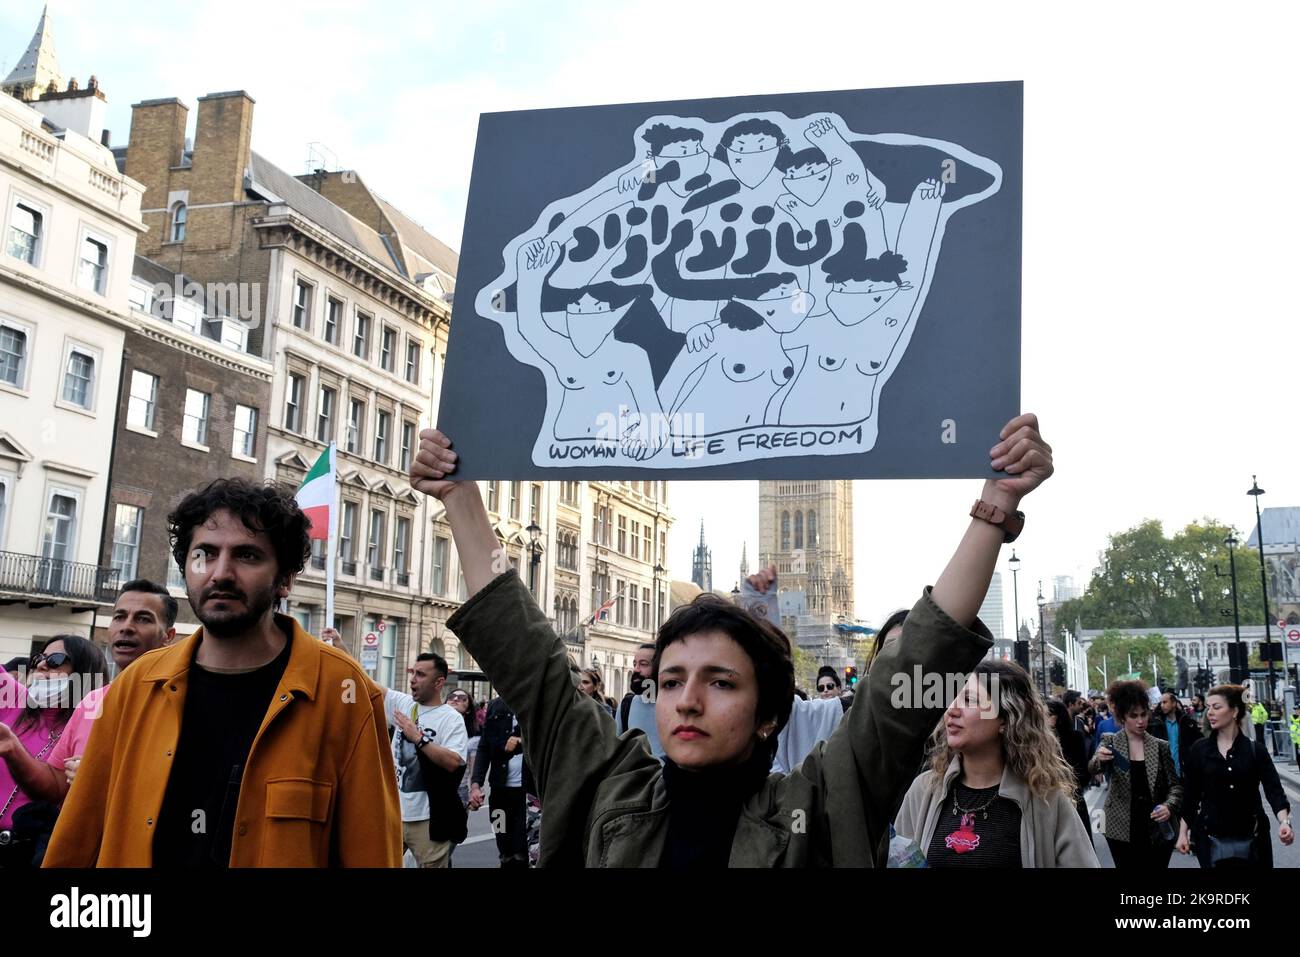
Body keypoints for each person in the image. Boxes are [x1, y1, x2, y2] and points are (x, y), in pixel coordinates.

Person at [411, 411, 1054, 866]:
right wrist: (460, 499)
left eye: (720, 682)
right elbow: (527, 657)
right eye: (670, 681)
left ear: (771, 715)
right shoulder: (612, 786)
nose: (687, 700)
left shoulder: (818, 806)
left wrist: (996, 504)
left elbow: (914, 669)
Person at [44, 478, 402, 867]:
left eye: (247, 555)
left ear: (285, 579)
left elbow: (371, 852)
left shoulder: (343, 691)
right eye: (206, 554)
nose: (221, 573)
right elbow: (79, 834)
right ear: (185, 568)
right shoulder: (136, 685)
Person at [0, 581, 177, 815]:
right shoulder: (92, 702)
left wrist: (105, 778)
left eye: (143, 619)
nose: (127, 627)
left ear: (168, 636)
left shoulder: (182, 701)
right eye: (119, 617)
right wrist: (12, 748)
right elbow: (55, 786)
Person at [893, 664, 1097, 867]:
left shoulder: (1045, 800)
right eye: (951, 698)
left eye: (969, 700)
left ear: (1006, 718)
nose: (952, 710)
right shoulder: (924, 791)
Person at [0, 636, 108, 867]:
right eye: (38, 658)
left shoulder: (93, 725)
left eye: (56, 659)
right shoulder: (13, 702)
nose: (41, 665)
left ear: (84, 672)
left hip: (33, 853)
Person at [1176, 684, 1293, 868]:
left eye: (1217, 707)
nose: (1210, 712)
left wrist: (1284, 822)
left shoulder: (1256, 750)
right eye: (1208, 707)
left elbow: (1274, 791)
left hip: (1253, 838)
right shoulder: (1200, 750)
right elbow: (1191, 795)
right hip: (1211, 838)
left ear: (1234, 711)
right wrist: (1183, 832)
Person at [384, 653, 468, 868]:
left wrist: (418, 738)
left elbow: (454, 761)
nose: (412, 679)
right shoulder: (404, 705)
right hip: (394, 814)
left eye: (420, 674)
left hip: (428, 819)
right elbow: (366, 684)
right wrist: (339, 646)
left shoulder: (451, 718)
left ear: (439, 682)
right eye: (413, 672)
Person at [1088, 680, 1182, 868]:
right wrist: (1099, 758)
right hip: (1119, 825)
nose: (1140, 721)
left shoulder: (1160, 746)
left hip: (1156, 824)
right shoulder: (1110, 741)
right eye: (1133, 716)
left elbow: (1176, 786)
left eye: (1143, 714)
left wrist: (1168, 806)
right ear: (1122, 717)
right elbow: (1093, 768)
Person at [470, 696, 532, 868]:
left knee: (522, 850)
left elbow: (546, 740)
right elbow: (484, 747)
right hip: (499, 791)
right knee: (503, 844)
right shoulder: (496, 706)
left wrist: (521, 741)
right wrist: (476, 784)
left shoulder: (534, 702)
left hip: (526, 794)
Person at [1045, 698, 1091, 837]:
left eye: (1048, 714)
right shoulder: (1038, 740)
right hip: (1047, 801)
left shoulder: (1074, 737)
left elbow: (1082, 770)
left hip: (1072, 797)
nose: (1043, 718)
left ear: (1058, 717)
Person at [1147, 690, 1201, 779]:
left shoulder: (1186, 722)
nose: (1162, 705)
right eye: (1161, 703)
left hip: (1183, 771)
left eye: (1165, 702)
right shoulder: (1157, 724)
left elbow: (1196, 743)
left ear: (1174, 703)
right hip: (1165, 773)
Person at [447, 688, 479, 808]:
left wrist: (474, 791)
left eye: (462, 698)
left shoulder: (473, 738)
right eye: (452, 696)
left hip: (459, 790)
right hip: (432, 788)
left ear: (469, 709)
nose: (455, 699)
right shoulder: (433, 727)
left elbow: (473, 770)